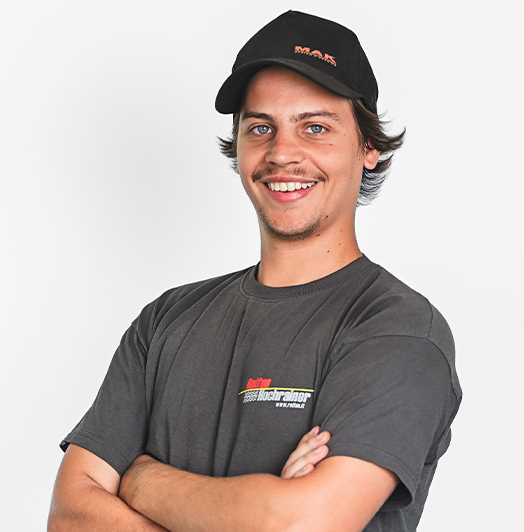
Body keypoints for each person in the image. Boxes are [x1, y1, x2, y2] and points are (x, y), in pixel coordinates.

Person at [48, 10, 461, 532]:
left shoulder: (397, 329)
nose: (282, 153)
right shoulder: (166, 320)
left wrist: (141, 481)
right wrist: (261, 508)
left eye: (315, 127)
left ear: (369, 148)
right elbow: (70, 516)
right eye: (261, 127)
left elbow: (301, 523)